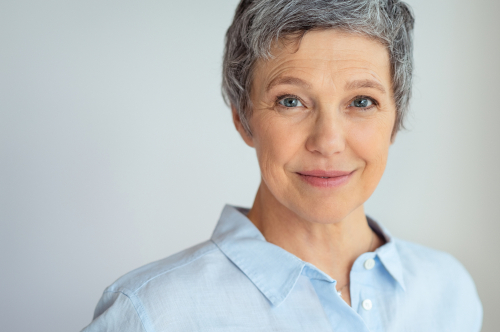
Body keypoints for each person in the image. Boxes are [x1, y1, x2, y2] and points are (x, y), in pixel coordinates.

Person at [81, 0, 482, 331]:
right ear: (243, 117)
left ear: (397, 116)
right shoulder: (151, 314)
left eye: (362, 101)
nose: (327, 141)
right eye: (291, 101)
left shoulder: (449, 291)